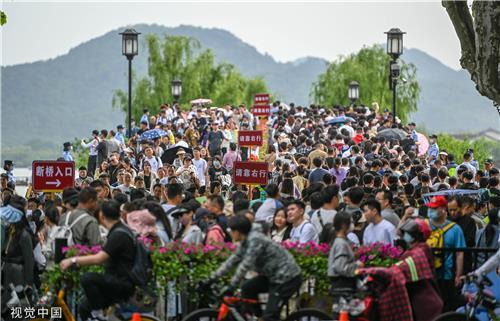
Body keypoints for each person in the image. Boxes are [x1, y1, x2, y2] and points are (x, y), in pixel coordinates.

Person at [207, 215, 302, 321]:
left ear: (238, 232)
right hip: (272, 275)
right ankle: (257, 317)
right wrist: (211, 279)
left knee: (270, 316)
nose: (230, 233)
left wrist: (231, 286)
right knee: (247, 288)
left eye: (232, 230)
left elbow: (245, 265)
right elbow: (231, 261)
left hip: (287, 277)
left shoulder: (255, 240)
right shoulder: (245, 240)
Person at [60, 200, 136, 321]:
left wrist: (73, 260)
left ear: (101, 215)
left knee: (88, 278)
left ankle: (97, 314)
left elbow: (99, 258)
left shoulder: (119, 234)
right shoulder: (120, 230)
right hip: (117, 280)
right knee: (84, 307)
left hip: (122, 282)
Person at [425, 195, 466, 312]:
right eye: (430, 208)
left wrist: (458, 275)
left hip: (446, 275)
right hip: (427, 274)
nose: (431, 211)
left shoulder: (455, 229)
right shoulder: (424, 225)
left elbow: (459, 254)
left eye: (434, 208)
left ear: (443, 209)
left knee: (446, 306)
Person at [1, 196, 35, 308]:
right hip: (8, 272)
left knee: (20, 306)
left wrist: (29, 283)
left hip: (19, 274)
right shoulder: (10, 230)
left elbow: (29, 259)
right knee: (8, 305)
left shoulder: (24, 234)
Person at [328, 211, 360, 314]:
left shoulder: (339, 241)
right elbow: (340, 267)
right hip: (343, 286)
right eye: (350, 222)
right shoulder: (341, 243)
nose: (352, 225)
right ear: (343, 225)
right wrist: (357, 266)